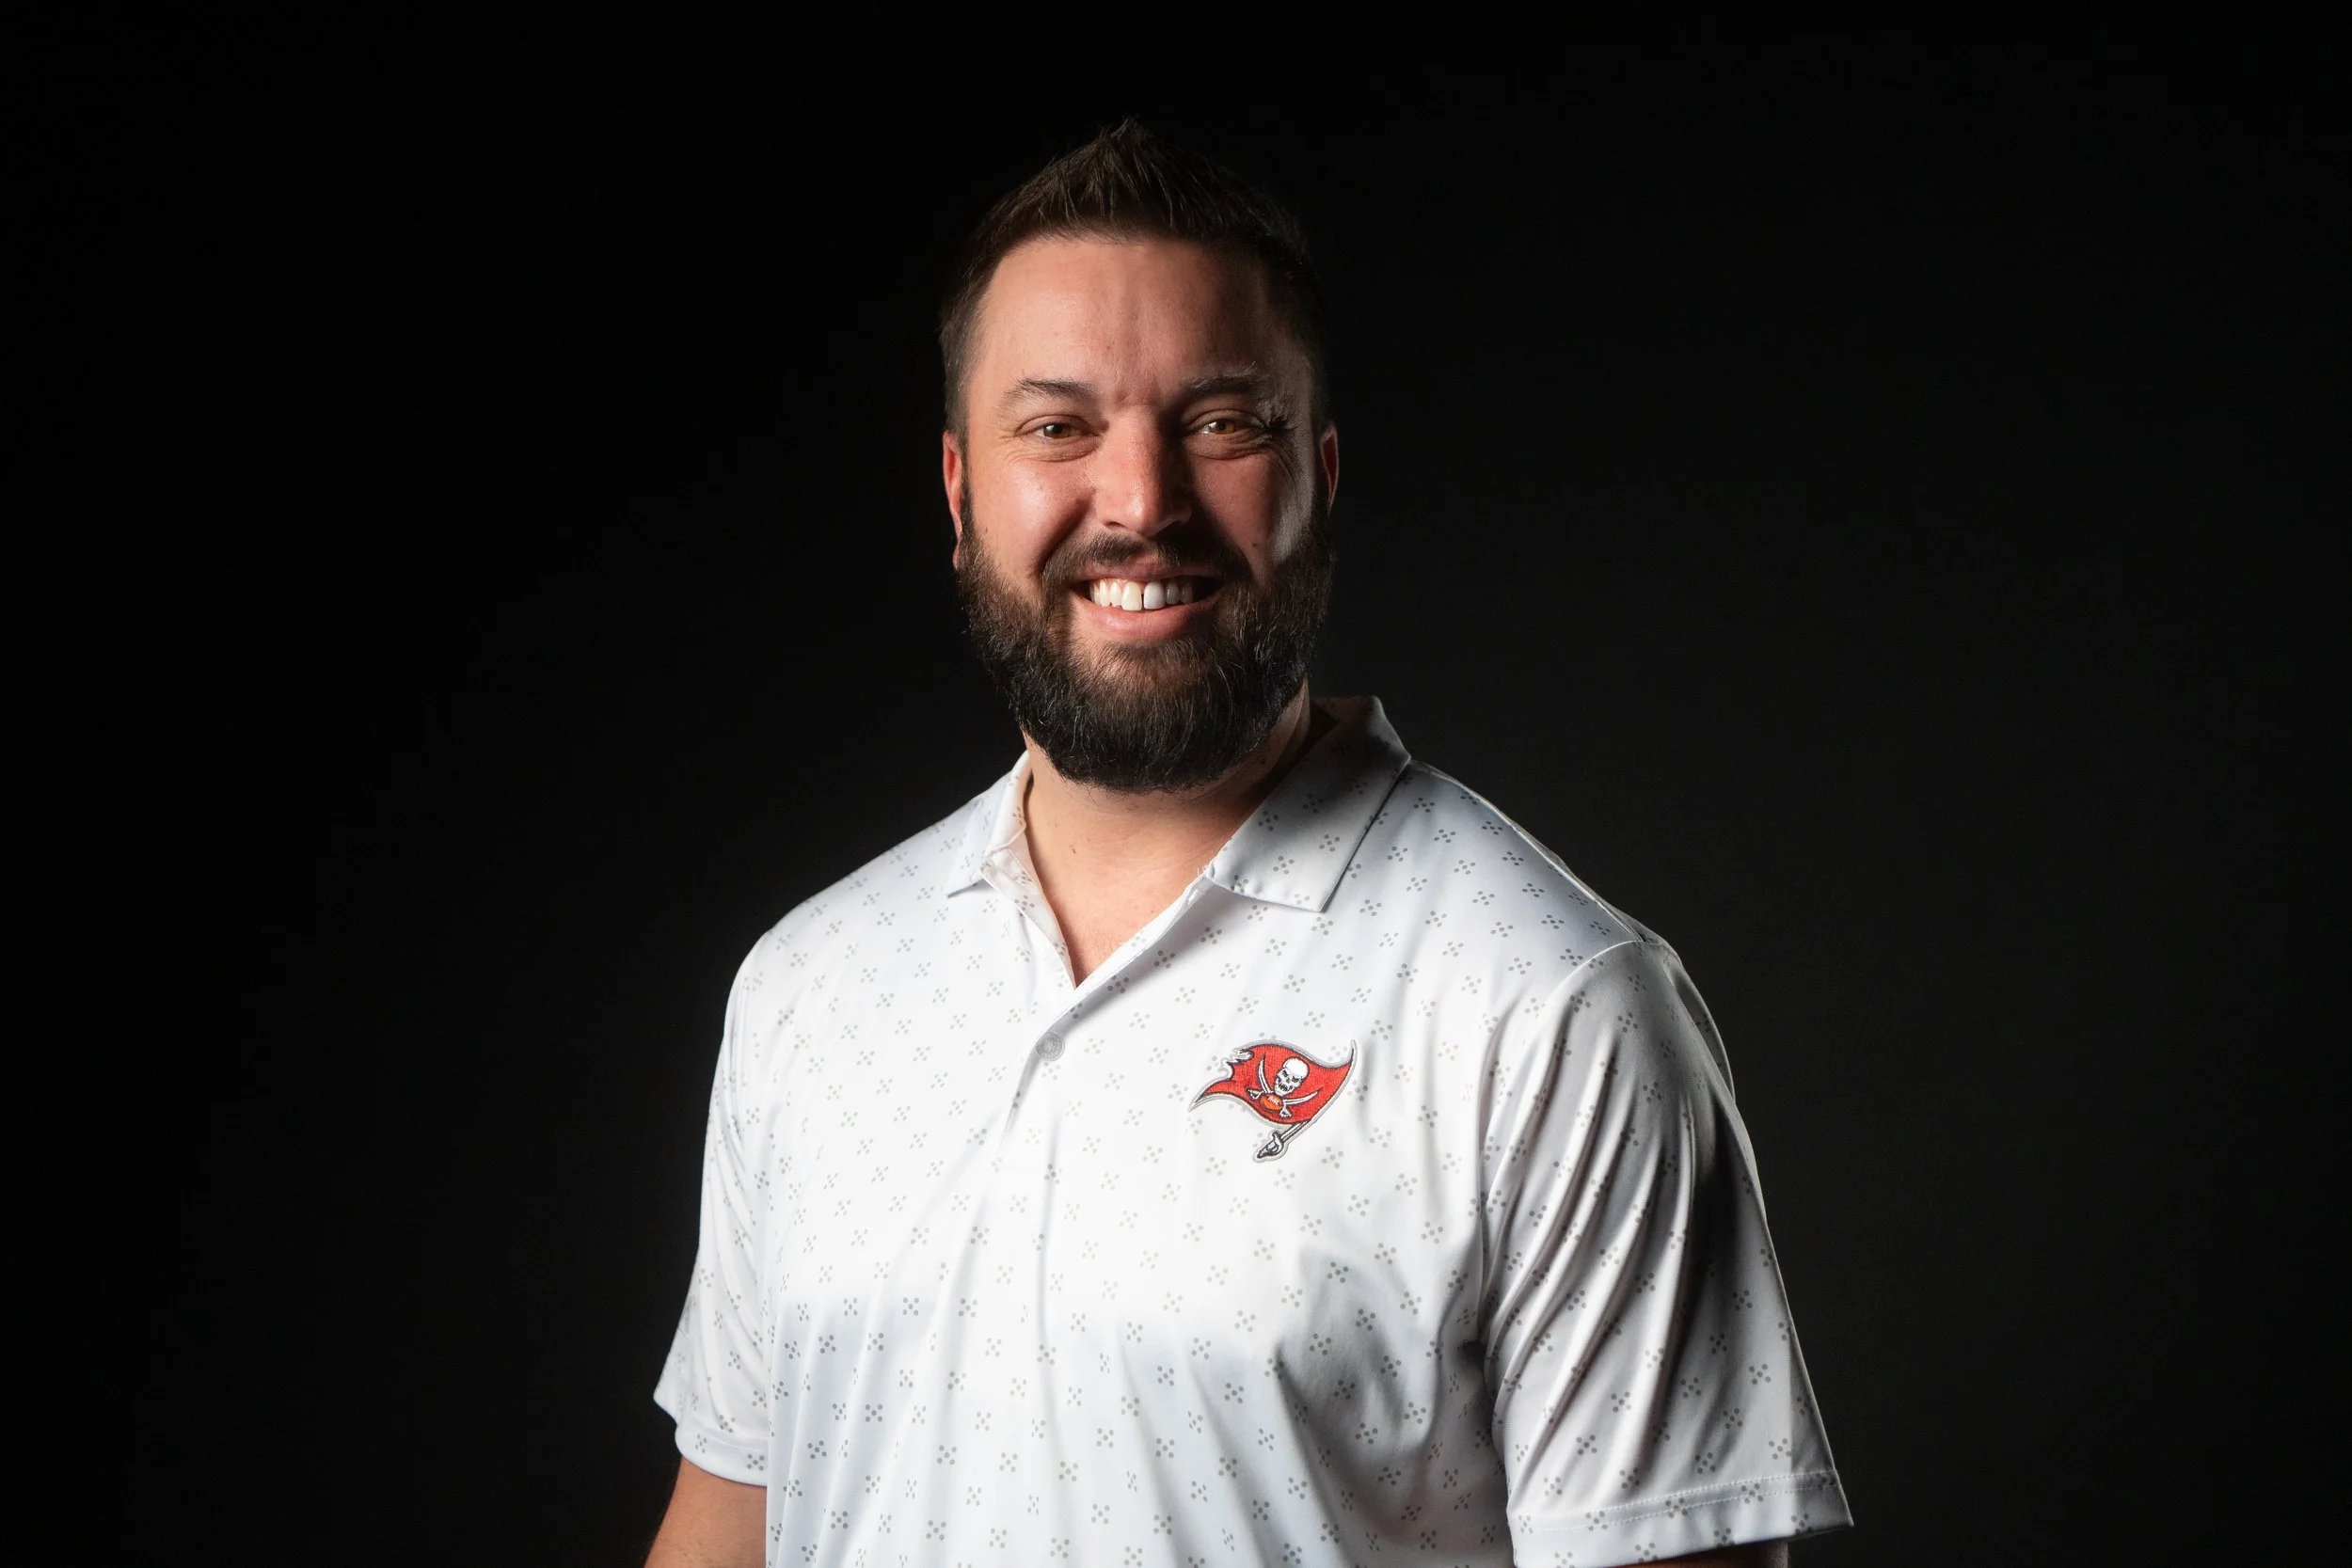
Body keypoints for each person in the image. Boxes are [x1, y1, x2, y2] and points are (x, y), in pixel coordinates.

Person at [646, 120, 1851, 1568]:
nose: (1141, 500)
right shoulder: (809, 987)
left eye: (1221, 421)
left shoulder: (1552, 1009)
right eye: (1058, 426)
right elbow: (729, 1523)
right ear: (964, 491)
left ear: (1318, 477)